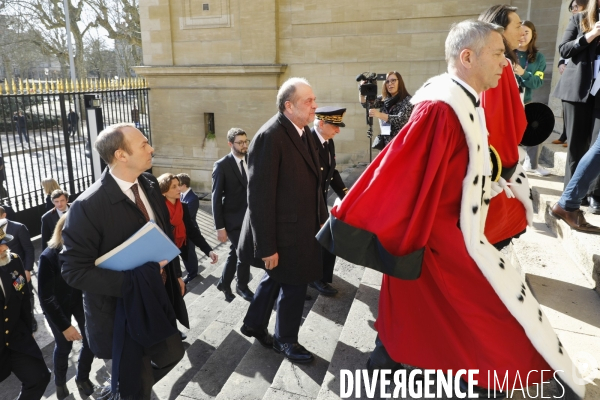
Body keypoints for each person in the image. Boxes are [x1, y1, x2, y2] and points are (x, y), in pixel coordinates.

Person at [317, 20, 585, 399]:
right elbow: (397, 170)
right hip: (440, 243)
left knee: (425, 325)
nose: (504, 63)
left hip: (453, 235)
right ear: (467, 56)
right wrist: (354, 215)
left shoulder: (463, 99)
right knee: (489, 325)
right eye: (497, 54)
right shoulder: (441, 108)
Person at [61, 123, 188, 399]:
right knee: (136, 389)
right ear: (121, 155)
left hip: (157, 298)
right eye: (143, 144)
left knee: (173, 354)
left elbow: (162, 233)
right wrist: (134, 282)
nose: (151, 148)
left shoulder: (151, 183)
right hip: (119, 314)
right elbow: (73, 272)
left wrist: (175, 274)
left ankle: (120, 386)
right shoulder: (87, 207)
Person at [237, 77, 328, 364]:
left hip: (302, 229)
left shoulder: (303, 132)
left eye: (314, 99)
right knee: (294, 285)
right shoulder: (270, 137)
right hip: (284, 234)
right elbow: (260, 198)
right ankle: (286, 340)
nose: (315, 105)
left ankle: (254, 323)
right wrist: (267, 247)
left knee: (276, 278)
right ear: (288, 106)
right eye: (308, 101)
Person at [478, 5, 532, 249]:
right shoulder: (501, 65)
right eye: (518, 25)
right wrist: (502, 169)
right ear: (500, 30)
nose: (523, 31)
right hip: (498, 167)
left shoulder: (493, 61)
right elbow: (499, 121)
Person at [38, 215, 95, 400]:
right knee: (64, 346)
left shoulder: (82, 249)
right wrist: (65, 326)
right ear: (63, 231)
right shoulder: (48, 256)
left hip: (78, 300)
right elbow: (46, 297)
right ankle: (60, 382)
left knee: (91, 340)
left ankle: (82, 376)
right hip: (57, 307)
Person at [553, 0, 600, 213]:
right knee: (576, 146)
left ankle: (594, 194)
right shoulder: (578, 19)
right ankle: (571, 197)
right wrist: (590, 36)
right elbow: (564, 48)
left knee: (597, 147)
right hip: (577, 90)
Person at [0, 219, 50, 400]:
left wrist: (28, 331)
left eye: (4, 242)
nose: (5, 248)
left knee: (40, 377)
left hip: (16, 335)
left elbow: (22, 299)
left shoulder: (13, 261)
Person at [309, 107, 349, 297]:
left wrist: (346, 195)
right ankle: (316, 278)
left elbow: (332, 172)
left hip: (319, 201)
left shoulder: (327, 141)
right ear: (321, 123)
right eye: (335, 126)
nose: (338, 130)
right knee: (321, 240)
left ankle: (319, 276)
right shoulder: (307, 142)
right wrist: (320, 213)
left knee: (325, 239)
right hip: (307, 204)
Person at [212, 128, 254, 302]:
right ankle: (241, 286)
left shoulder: (251, 159)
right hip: (232, 221)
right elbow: (215, 198)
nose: (244, 145)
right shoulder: (221, 165)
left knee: (235, 252)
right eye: (240, 142)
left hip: (249, 217)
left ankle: (224, 282)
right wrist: (220, 227)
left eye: (246, 141)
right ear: (230, 144)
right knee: (244, 253)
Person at [158, 173, 218, 285]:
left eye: (178, 185)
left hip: (181, 245)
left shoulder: (183, 207)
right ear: (164, 191)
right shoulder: (159, 211)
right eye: (174, 187)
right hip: (166, 256)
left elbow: (192, 231)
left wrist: (209, 251)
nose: (178, 188)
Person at [554, 0, 590, 147]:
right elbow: (565, 48)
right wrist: (561, 63)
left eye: (577, 6)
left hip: (584, 75)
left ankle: (570, 137)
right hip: (570, 74)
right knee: (567, 107)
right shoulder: (574, 21)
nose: (574, 9)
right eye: (572, 7)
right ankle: (565, 135)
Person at [517, 20, 550, 176]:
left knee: (536, 126)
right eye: (520, 32)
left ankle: (532, 165)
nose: (522, 36)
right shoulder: (506, 53)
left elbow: (537, 82)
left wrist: (522, 73)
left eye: (526, 33)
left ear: (533, 35)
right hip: (507, 102)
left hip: (526, 101)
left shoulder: (539, 58)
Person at [1, 206, 36, 332]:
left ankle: (31, 320)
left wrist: (27, 269)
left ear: (4, 215)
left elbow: (28, 249)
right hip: (3, 273)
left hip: (18, 272)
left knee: (24, 294)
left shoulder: (18, 227)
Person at [359, 71, 414, 148]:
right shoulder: (384, 99)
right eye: (387, 81)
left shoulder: (408, 100)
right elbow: (366, 104)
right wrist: (362, 91)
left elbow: (401, 119)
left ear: (400, 82)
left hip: (401, 143)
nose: (390, 84)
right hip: (386, 143)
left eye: (393, 80)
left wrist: (379, 115)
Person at [177, 173, 201, 283]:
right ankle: (190, 271)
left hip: (190, 230)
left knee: (190, 253)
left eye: (179, 185)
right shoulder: (181, 195)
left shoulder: (193, 198)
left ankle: (193, 273)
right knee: (185, 252)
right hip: (183, 229)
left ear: (184, 185)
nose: (177, 187)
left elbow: (187, 216)